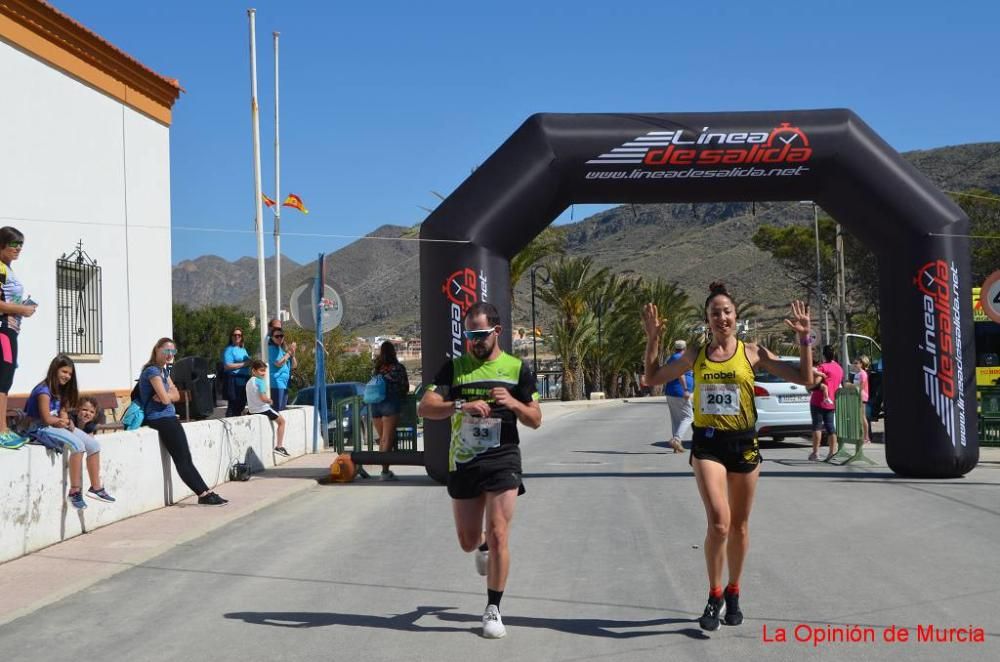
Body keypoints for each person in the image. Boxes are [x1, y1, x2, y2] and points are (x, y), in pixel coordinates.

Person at [642, 282, 813, 632]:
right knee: (719, 522)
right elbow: (651, 378)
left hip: (744, 444)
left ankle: (734, 591)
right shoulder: (696, 353)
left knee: (739, 526)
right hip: (707, 444)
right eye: (715, 312)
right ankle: (714, 593)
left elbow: (806, 379)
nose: (722, 317)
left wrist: (805, 340)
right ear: (707, 319)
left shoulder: (752, 352)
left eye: (727, 311)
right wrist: (652, 338)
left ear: (736, 317)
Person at [418, 302, 542, 639]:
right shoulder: (454, 369)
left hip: (503, 459)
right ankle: (482, 545)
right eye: (469, 335)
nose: (474, 341)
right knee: (468, 540)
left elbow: (535, 419)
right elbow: (425, 407)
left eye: (480, 334)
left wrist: (514, 403)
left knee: (501, 531)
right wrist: (461, 404)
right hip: (464, 461)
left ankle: (493, 609)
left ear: (497, 331)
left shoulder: (516, 369)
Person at [140, 337, 227, 506]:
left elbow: (176, 395)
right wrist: (167, 396)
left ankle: (206, 491)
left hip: (169, 417)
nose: (169, 355)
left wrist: (167, 396)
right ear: (157, 349)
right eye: (166, 350)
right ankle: (203, 494)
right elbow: (166, 399)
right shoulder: (152, 371)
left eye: (172, 352)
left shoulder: (163, 371)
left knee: (186, 457)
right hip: (160, 419)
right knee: (181, 458)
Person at [24, 355, 116, 508]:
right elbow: (46, 418)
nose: (67, 376)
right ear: (55, 370)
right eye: (64, 372)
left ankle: (96, 488)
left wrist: (66, 421)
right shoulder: (43, 391)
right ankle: (74, 491)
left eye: (70, 374)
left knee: (93, 445)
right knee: (78, 445)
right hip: (38, 428)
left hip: (55, 425)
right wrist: (61, 422)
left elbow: (63, 412)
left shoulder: (61, 390)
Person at [0, 227, 37, 449]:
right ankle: (1, 430)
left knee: (6, 378)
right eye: (14, 244)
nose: (18, 249)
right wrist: (22, 310)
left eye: (21, 244)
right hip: (3, 330)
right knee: (3, 380)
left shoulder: (7, 269)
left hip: (9, 330)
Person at [371, 340, 409, 481]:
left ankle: (384, 471)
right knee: (387, 439)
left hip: (375, 404)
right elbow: (404, 386)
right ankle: (385, 472)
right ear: (394, 352)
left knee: (382, 439)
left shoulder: (377, 368)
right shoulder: (398, 368)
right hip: (390, 403)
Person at [246, 359, 288, 456]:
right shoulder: (260, 382)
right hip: (263, 409)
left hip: (252, 410)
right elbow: (263, 398)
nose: (263, 373)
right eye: (261, 370)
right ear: (253, 371)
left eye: (264, 370)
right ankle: (279, 446)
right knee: (282, 422)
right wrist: (270, 400)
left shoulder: (248, 382)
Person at [809, 345, 844, 461]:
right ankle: (832, 451)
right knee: (830, 427)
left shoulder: (822, 367)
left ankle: (815, 453)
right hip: (832, 401)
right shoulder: (839, 368)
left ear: (824, 355)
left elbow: (814, 382)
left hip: (818, 401)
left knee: (817, 426)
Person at [663, 339, 694, 453]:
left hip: (671, 391)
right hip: (680, 391)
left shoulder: (673, 358)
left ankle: (677, 445)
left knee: (676, 418)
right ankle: (677, 439)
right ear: (685, 349)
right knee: (688, 417)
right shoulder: (680, 359)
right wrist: (686, 389)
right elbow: (680, 373)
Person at [222, 327, 251, 417]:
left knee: (241, 404)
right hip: (234, 381)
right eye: (235, 335)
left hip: (244, 380)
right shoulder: (229, 350)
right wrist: (244, 364)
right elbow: (227, 365)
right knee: (233, 406)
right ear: (231, 337)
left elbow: (248, 363)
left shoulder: (243, 350)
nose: (237, 337)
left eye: (239, 335)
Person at [268, 328, 296, 412]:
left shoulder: (281, 350)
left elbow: (294, 366)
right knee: (278, 410)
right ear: (272, 338)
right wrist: (289, 353)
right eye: (277, 336)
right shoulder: (271, 348)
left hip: (284, 384)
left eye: (281, 336)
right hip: (276, 383)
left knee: (282, 410)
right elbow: (278, 363)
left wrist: (293, 354)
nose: (279, 338)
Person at [854, 355, 872, 444]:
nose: (854, 365)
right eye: (854, 363)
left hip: (861, 397)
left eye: (856, 363)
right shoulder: (857, 374)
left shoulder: (863, 373)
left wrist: (851, 386)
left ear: (861, 364)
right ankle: (862, 436)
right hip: (857, 396)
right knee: (860, 417)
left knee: (862, 416)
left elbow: (861, 386)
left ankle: (866, 437)